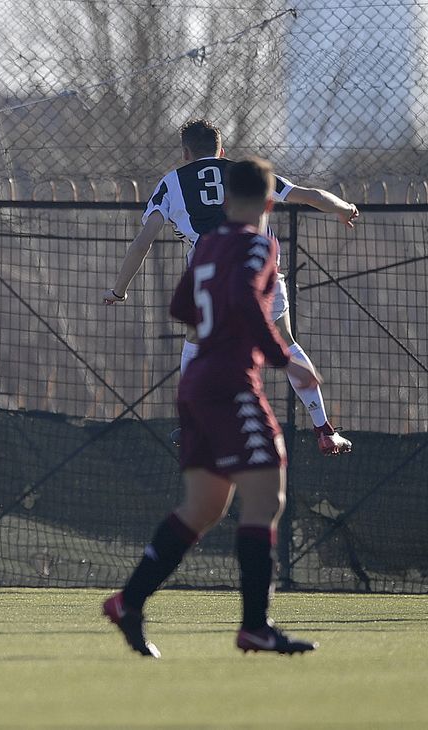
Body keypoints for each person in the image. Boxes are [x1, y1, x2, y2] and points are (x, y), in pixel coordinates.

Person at [102, 157, 320, 657]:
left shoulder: (207, 245)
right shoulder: (258, 244)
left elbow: (181, 307)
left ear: (225, 200)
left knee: (204, 507)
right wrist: (284, 360)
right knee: (266, 497)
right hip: (230, 384)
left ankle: (129, 601)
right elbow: (244, 297)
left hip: (196, 384)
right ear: (268, 203)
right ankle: (255, 625)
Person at [103, 118, 358, 455]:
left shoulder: (171, 183)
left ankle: (193, 422)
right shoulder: (246, 173)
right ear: (222, 150)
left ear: (185, 153)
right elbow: (307, 195)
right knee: (285, 341)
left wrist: (119, 289)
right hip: (258, 269)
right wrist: (343, 208)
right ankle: (324, 429)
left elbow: (143, 242)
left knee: (196, 339)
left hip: (210, 272)